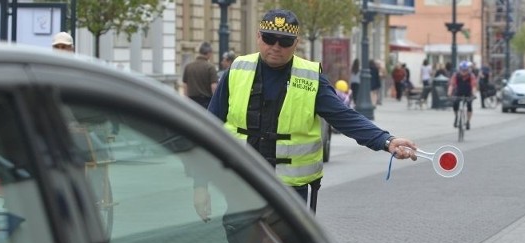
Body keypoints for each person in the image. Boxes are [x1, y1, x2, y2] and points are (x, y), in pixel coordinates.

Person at [197, 8, 417, 221]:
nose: (275, 46)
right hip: (242, 182)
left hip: (289, 191)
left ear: (296, 43)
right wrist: (200, 184)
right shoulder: (237, 70)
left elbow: (344, 117)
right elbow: (210, 127)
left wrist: (386, 140)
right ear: (258, 36)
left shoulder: (310, 78)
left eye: (284, 41)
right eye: (269, 38)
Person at [182, 41, 218, 108]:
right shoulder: (210, 67)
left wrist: (186, 100)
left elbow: (185, 85)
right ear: (209, 53)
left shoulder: (188, 66)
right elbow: (214, 86)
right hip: (206, 103)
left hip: (191, 102)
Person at [448, 61, 478, 130]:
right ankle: (456, 117)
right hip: (459, 92)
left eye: (465, 70)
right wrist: (449, 93)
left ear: (468, 69)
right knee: (455, 104)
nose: (464, 72)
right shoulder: (456, 75)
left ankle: (468, 122)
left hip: (468, 92)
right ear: (460, 69)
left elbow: (473, 86)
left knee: (469, 105)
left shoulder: (471, 76)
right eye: (462, 70)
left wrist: (474, 94)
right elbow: (451, 85)